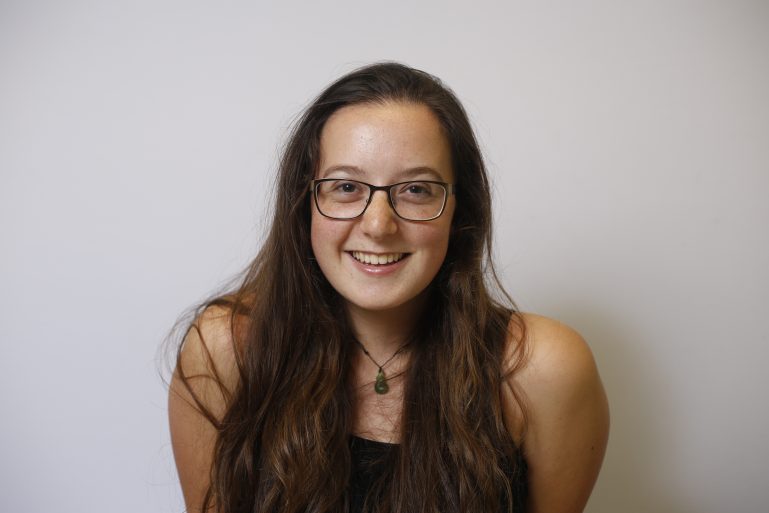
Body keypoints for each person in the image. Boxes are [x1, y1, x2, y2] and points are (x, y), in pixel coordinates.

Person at [168, 62, 609, 513]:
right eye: (346, 186)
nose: (378, 225)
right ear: (304, 204)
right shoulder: (226, 348)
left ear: (460, 210)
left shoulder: (542, 371)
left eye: (416, 189)